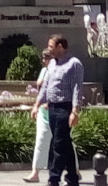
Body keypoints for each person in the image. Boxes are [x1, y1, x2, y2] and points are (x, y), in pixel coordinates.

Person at [32, 34, 83, 186]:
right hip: (52, 108)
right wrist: (36, 104)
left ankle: (53, 179)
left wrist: (74, 111)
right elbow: (45, 86)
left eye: (51, 46)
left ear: (60, 46)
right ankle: (73, 178)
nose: (49, 49)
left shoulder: (74, 64)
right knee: (65, 143)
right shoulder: (52, 64)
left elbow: (77, 88)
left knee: (58, 144)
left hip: (65, 108)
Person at [24, 49, 54, 183]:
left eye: (47, 58)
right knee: (41, 139)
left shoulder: (61, 70)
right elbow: (41, 87)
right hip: (43, 111)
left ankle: (75, 170)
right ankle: (35, 173)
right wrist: (37, 106)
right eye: (43, 58)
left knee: (66, 143)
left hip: (57, 111)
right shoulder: (45, 70)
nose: (44, 61)